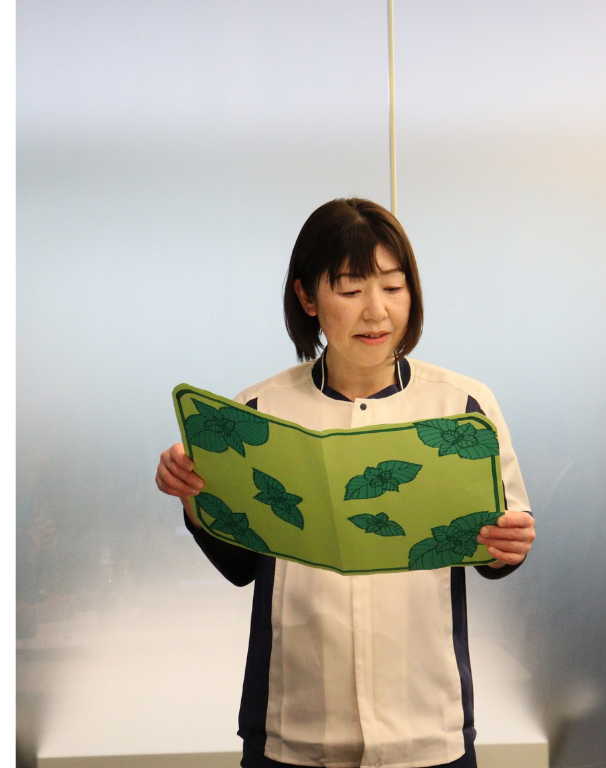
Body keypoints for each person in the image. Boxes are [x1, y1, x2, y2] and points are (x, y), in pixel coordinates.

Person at [155, 198, 536, 768]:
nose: (376, 311)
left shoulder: (462, 407)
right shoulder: (257, 412)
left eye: (393, 287)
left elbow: (495, 552)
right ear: (307, 297)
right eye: (351, 290)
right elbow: (240, 566)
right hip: (292, 730)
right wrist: (193, 497)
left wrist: (511, 545)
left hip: (427, 730)